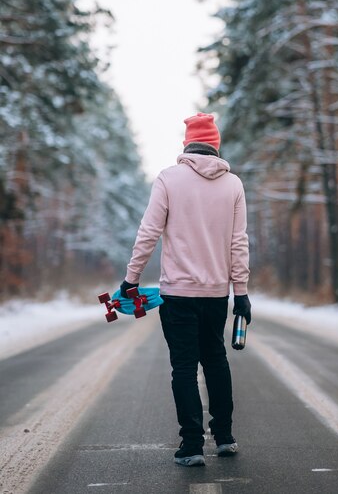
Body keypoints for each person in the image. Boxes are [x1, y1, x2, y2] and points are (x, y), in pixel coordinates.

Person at [120, 112, 251, 467]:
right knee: (216, 361)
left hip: (177, 294)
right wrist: (241, 292)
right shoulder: (233, 185)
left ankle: (191, 445)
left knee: (183, 368)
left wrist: (131, 280)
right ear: (215, 144)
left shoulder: (168, 179)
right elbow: (238, 243)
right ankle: (224, 437)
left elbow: (147, 234)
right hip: (215, 294)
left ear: (187, 144)